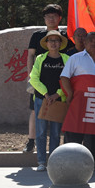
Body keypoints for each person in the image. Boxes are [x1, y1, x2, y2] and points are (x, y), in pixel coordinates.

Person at [24, 4, 77, 153]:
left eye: (54, 16)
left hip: (59, 83)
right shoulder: (37, 35)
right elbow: (30, 55)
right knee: (34, 110)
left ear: (60, 18)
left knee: (58, 114)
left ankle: (60, 147)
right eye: (48, 16)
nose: (51, 19)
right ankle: (31, 140)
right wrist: (30, 76)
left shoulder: (65, 36)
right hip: (39, 80)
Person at [59, 32, 95, 167]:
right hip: (78, 102)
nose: (93, 43)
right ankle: (70, 163)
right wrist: (70, 94)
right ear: (85, 43)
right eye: (90, 41)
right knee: (74, 132)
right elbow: (64, 77)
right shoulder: (75, 58)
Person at [29, 30, 70, 172]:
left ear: (60, 43)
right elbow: (33, 78)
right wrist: (46, 94)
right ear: (46, 43)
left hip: (58, 101)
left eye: (56, 40)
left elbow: (69, 79)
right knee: (40, 132)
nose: (53, 43)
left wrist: (57, 94)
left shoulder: (66, 59)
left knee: (55, 133)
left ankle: (53, 161)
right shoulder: (40, 58)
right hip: (42, 100)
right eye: (50, 40)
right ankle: (41, 161)